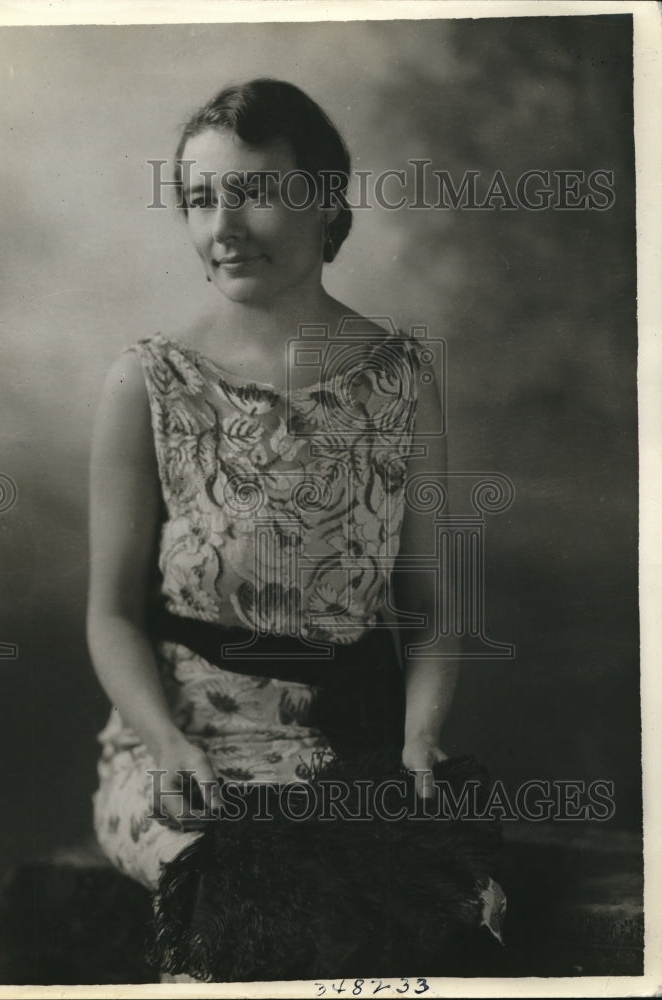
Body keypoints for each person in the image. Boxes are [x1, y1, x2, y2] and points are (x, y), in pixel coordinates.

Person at [87, 78, 502, 983]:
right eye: (201, 200)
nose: (224, 227)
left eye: (257, 192)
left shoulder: (400, 379)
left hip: (350, 745)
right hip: (188, 747)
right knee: (251, 905)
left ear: (324, 203)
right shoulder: (148, 383)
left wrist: (421, 740)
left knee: (434, 906)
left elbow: (430, 602)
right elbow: (112, 614)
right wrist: (165, 744)